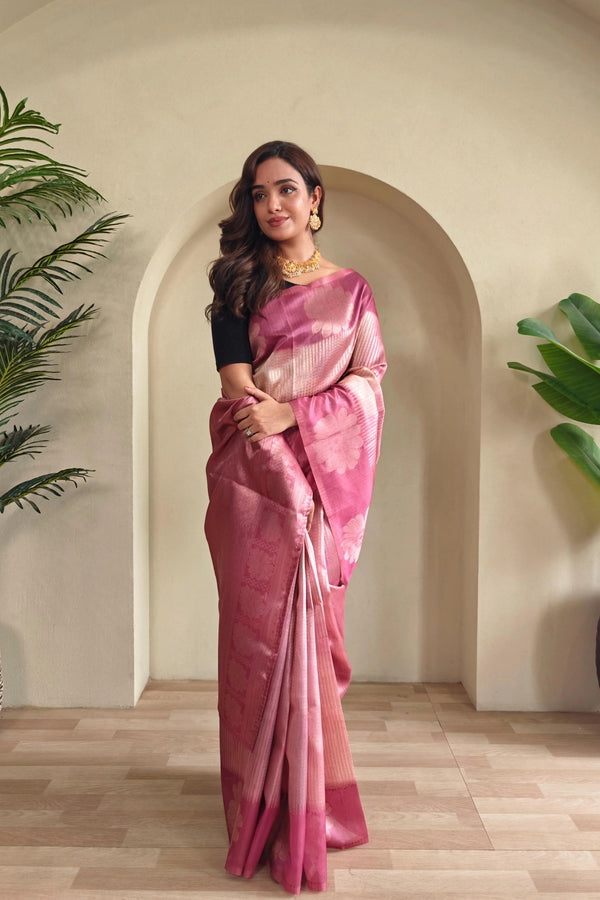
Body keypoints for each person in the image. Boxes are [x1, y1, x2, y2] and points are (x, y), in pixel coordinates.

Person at [204, 140, 386, 895]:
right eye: (258, 194)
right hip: (258, 483)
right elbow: (237, 387)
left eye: (285, 190)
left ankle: (308, 802)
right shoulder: (236, 283)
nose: (271, 204)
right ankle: (259, 801)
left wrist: (297, 416)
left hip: (322, 488)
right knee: (257, 644)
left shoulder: (352, 292)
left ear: (315, 199)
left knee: (313, 643)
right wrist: (274, 433)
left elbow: (370, 382)